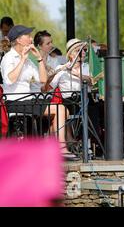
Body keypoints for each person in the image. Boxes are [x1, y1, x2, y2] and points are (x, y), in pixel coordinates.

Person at [1, 25, 73, 158]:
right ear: (18, 40)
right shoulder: (9, 58)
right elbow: (10, 80)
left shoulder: (29, 60)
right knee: (60, 110)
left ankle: (52, 147)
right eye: (27, 36)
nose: (30, 38)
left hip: (29, 99)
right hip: (15, 101)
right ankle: (60, 148)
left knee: (63, 111)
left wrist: (39, 58)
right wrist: (22, 59)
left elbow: (43, 80)